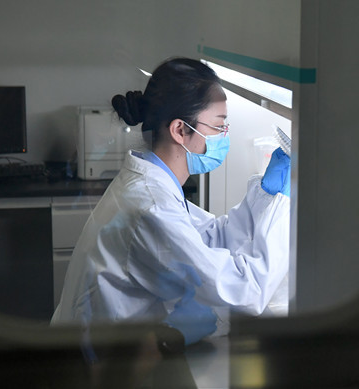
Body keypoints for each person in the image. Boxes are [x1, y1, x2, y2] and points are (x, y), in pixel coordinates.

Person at [52, 57, 291, 348]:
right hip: (102, 361)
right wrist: (283, 209)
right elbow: (246, 292)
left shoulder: (151, 185)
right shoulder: (152, 206)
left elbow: (211, 237)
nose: (224, 137)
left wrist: (266, 194)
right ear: (179, 130)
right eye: (219, 127)